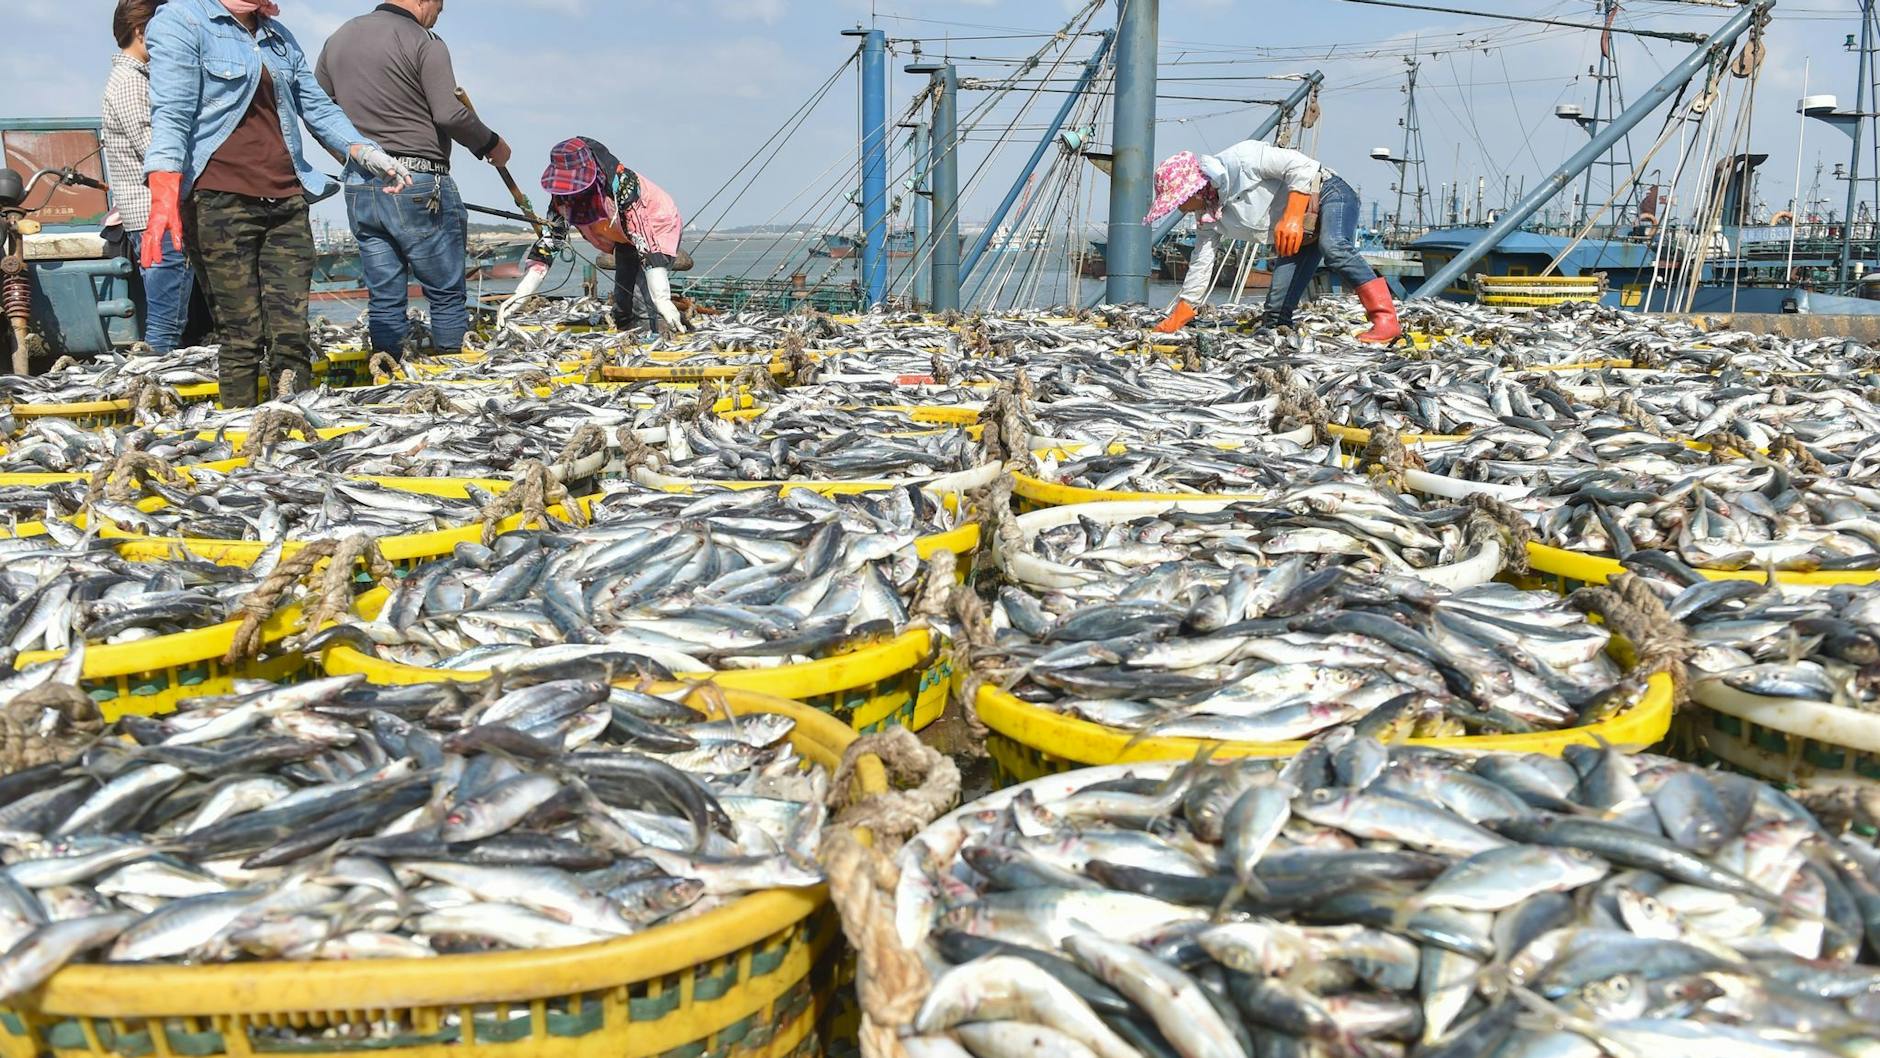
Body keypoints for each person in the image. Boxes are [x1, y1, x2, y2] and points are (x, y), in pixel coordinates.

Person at [141, 0, 411, 407]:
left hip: (286, 199)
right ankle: (240, 425)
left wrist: (365, 151)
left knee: (291, 335)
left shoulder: (276, 36)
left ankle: (293, 426)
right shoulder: (183, 19)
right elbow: (172, 114)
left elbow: (318, 108)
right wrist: (163, 195)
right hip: (219, 202)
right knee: (242, 337)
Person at [316, 0, 511, 360]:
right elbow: (450, 113)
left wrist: (352, 158)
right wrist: (491, 143)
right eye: (439, 5)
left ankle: (388, 375)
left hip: (360, 184)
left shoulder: (337, 39)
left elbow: (320, 115)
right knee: (445, 292)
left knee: (384, 296)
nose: (439, 13)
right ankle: (452, 373)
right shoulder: (424, 40)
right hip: (419, 181)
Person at [1144, 144, 1401, 343]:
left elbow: (1303, 166)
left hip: (1326, 194)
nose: (1179, 207)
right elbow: (1202, 260)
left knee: (1333, 247)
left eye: (1178, 200)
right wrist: (1185, 308)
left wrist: (1291, 216)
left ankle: (1385, 320)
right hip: (1301, 235)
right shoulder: (1208, 215)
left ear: (1194, 189)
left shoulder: (1241, 159)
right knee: (1275, 319)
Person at [102, 0, 197, 354]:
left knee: (171, 320)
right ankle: (155, 387)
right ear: (143, 32)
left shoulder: (135, 79)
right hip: (153, 219)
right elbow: (155, 150)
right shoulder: (130, 83)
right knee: (167, 323)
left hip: (151, 218)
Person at [540, 137, 687, 336]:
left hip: (657, 224)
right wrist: (520, 295)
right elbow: (548, 244)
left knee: (642, 297)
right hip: (622, 234)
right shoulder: (563, 197)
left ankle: (652, 335)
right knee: (623, 294)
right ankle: (625, 328)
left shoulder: (623, 184)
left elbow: (648, 246)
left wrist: (664, 300)